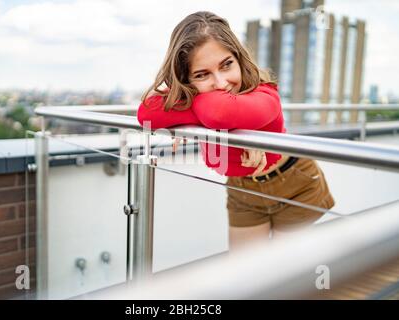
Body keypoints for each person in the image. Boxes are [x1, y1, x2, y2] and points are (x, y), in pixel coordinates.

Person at [137, 11, 335, 251]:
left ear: (239, 58)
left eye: (227, 65)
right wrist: (211, 112)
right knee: (245, 275)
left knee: (286, 275)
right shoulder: (205, 97)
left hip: (295, 184)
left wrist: (186, 106)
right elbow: (146, 112)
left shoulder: (266, 93)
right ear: (185, 80)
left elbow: (217, 112)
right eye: (202, 74)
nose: (221, 83)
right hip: (242, 190)